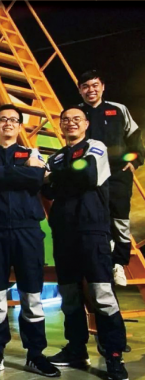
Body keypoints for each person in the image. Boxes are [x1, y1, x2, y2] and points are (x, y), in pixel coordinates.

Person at [0, 104, 60, 379]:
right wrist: (22, 173)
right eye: (2, 120)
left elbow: (38, 179)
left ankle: (35, 353)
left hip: (27, 231)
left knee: (32, 295)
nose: (8, 123)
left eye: (13, 120)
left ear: (20, 126)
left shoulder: (32, 153)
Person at [43, 106, 128, 380]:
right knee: (69, 296)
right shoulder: (55, 158)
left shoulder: (96, 147)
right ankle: (76, 349)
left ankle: (114, 355)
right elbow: (47, 190)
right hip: (64, 235)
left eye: (76, 119)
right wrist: (61, 177)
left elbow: (88, 175)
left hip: (93, 232)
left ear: (86, 123)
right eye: (66, 120)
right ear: (60, 125)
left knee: (102, 294)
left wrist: (56, 177)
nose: (71, 123)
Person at [78, 70, 145, 286]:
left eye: (95, 85)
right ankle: (101, 263)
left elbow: (134, 137)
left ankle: (119, 264)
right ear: (80, 90)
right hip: (89, 176)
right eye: (85, 86)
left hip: (118, 175)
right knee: (96, 220)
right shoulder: (77, 113)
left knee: (120, 219)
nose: (91, 90)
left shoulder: (118, 110)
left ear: (103, 87)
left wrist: (133, 161)